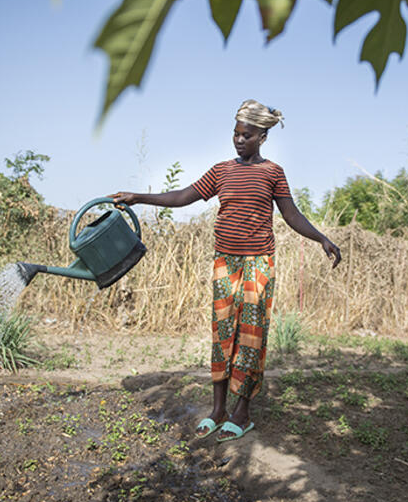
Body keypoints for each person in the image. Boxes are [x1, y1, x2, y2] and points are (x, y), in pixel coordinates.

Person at [110, 100, 341, 442]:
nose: (238, 140)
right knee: (222, 335)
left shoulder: (272, 173)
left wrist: (321, 237)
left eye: (246, 135)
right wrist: (139, 198)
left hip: (259, 262)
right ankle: (218, 409)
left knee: (251, 336)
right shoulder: (221, 171)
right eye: (235, 134)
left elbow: (292, 215)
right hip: (225, 261)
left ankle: (242, 412)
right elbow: (184, 195)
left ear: (262, 136)